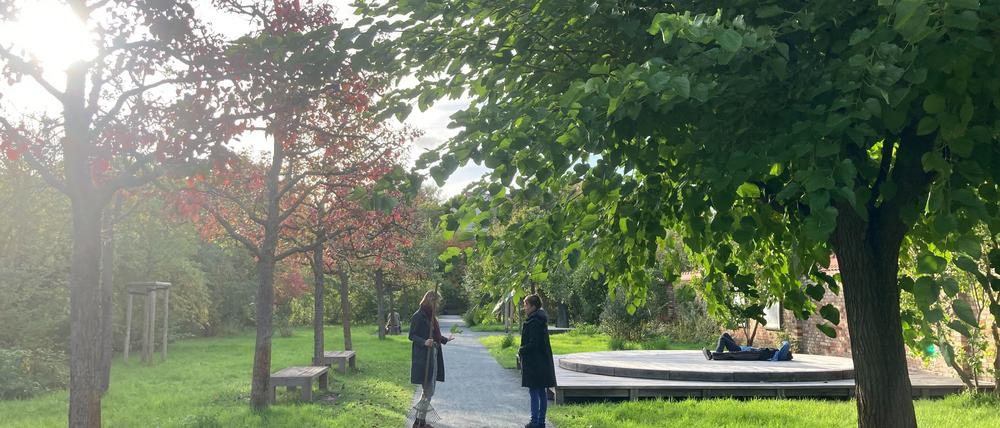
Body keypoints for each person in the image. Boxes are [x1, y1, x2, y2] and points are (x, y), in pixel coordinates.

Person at [409, 290, 454, 428]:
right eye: (436, 301)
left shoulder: (431, 316)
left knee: (428, 390)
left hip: (433, 354)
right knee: (428, 390)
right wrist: (424, 342)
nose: (437, 304)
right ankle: (419, 422)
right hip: (424, 357)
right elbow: (411, 335)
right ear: (429, 300)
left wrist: (446, 339)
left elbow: (435, 335)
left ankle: (419, 421)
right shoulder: (418, 316)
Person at [518, 294, 557, 428]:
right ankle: (541, 421)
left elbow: (534, 343)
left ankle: (535, 421)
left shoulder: (534, 322)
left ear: (533, 306)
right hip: (541, 361)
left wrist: (521, 350)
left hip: (535, 362)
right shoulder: (540, 319)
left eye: (526, 305)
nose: (525, 308)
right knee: (541, 391)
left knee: (534, 391)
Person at [702, 332, 792, 361]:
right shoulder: (776, 353)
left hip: (752, 354)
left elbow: (786, 345)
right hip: (744, 349)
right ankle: (717, 354)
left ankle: (714, 355)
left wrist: (783, 342)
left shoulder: (780, 356)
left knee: (724, 340)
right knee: (725, 335)